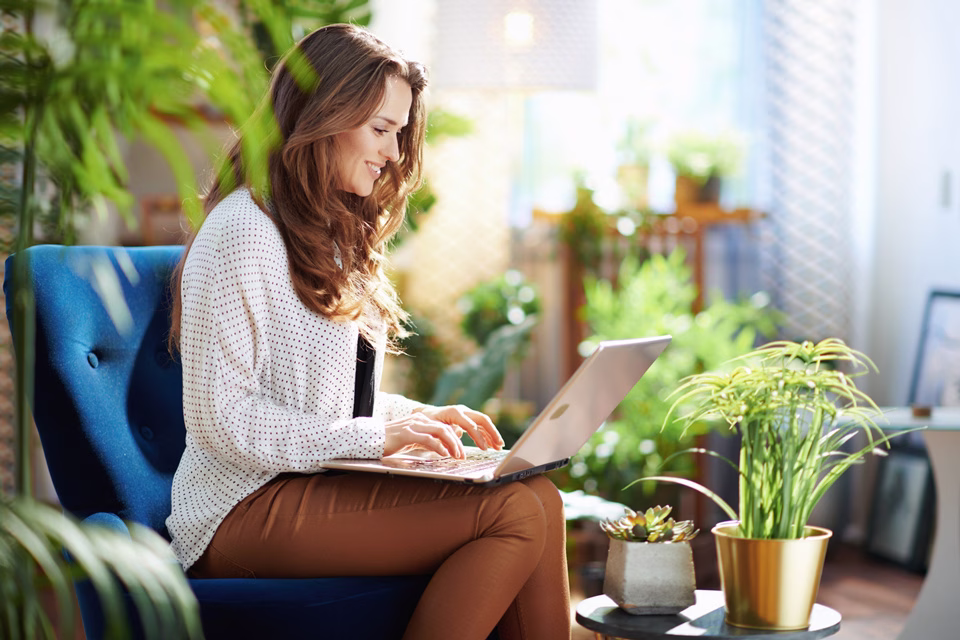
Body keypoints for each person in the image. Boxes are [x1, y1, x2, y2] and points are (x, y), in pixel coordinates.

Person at [165, 23, 571, 640]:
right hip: (238, 510)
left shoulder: (329, 232)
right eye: (380, 129)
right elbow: (222, 422)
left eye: (399, 132)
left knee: (541, 498)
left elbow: (325, 406)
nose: (392, 151)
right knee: (514, 511)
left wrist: (422, 419)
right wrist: (378, 437)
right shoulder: (243, 231)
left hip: (314, 485)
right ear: (321, 115)